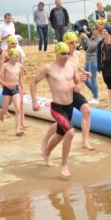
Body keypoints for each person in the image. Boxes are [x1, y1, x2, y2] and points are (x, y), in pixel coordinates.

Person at [31, 42, 79, 177]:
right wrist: (34, 101)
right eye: (63, 53)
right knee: (70, 132)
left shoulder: (72, 65)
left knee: (60, 135)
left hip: (69, 105)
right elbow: (33, 82)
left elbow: (77, 81)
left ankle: (46, 153)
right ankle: (64, 166)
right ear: (57, 54)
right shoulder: (49, 68)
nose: (66, 56)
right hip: (57, 107)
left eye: (68, 53)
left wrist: (77, 86)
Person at [63, 32, 95, 150]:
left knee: (86, 110)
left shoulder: (77, 54)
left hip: (75, 90)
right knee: (62, 124)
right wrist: (76, 83)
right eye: (71, 43)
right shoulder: (62, 57)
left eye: (76, 42)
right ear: (65, 43)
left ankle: (85, 141)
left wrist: (84, 72)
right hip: (64, 93)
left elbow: (76, 66)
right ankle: (46, 139)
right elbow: (62, 77)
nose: (74, 45)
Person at [0, 48, 25, 137]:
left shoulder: (19, 65)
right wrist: (7, 84)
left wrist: (24, 72)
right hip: (7, 89)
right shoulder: (5, 66)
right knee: (4, 111)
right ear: (10, 57)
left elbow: (20, 75)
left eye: (18, 57)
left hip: (15, 88)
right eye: (15, 57)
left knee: (17, 108)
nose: (17, 58)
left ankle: (17, 129)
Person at [80, 25, 102, 105]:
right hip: (88, 60)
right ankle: (95, 92)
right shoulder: (92, 37)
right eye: (92, 29)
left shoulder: (99, 39)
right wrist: (82, 38)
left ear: (99, 31)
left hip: (94, 60)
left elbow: (91, 46)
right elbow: (85, 46)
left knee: (93, 79)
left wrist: (86, 38)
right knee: (84, 78)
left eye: (95, 29)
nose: (93, 30)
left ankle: (95, 98)